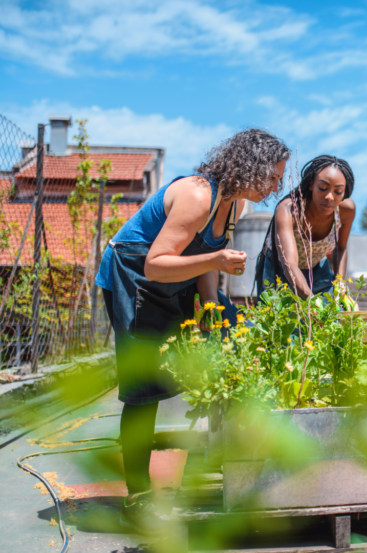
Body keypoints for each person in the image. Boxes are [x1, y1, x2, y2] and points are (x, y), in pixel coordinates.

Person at [94, 128, 290, 535]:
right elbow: (155, 263)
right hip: (135, 277)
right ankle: (139, 497)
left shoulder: (231, 206)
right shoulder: (199, 195)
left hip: (170, 283)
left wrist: (216, 311)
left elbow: (202, 265)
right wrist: (218, 259)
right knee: (144, 388)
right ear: (251, 166)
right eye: (273, 176)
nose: (277, 186)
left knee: (212, 348)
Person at [255, 155, 356, 299]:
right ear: (311, 185)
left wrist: (340, 283)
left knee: (334, 313)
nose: (329, 197)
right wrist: (312, 303)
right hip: (279, 269)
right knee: (279, 319)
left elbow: (340, 248)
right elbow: (289, 263)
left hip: (316, 266)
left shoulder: (346, 210)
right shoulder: (290, 210)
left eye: (338, 191)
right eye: (322, 188)